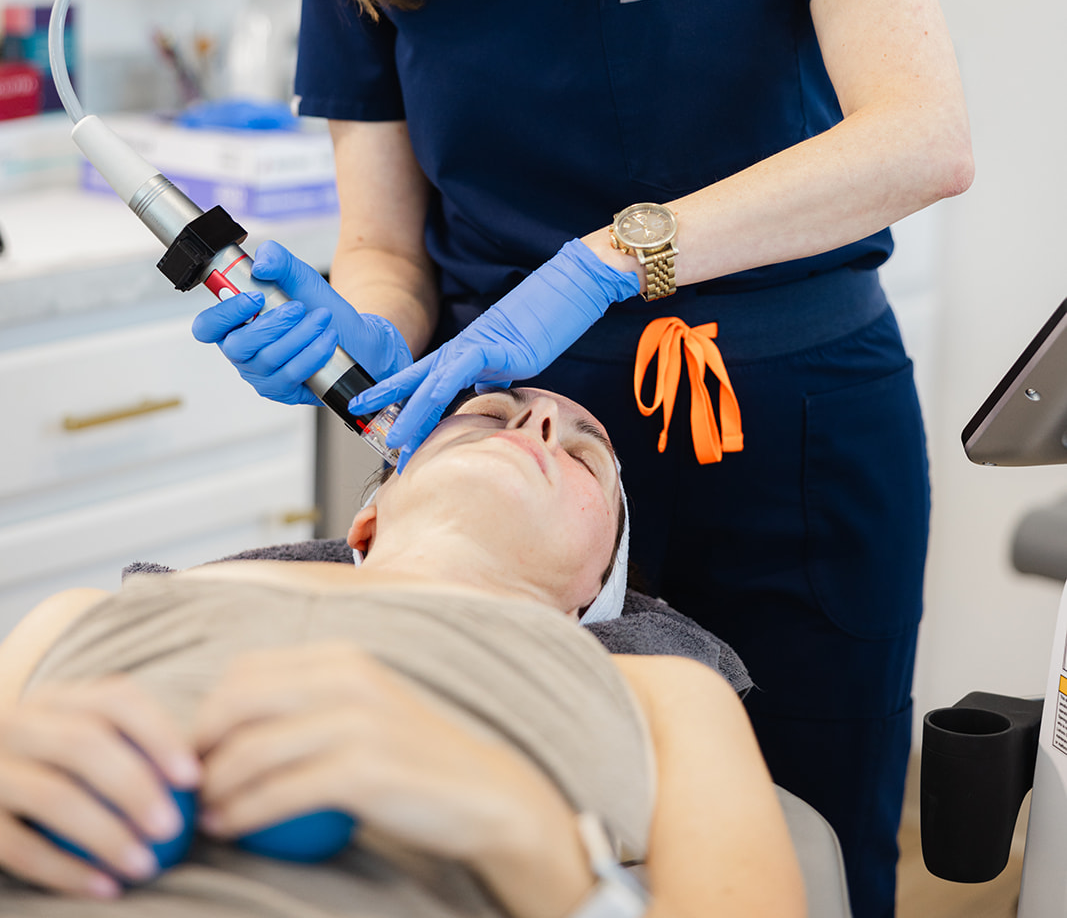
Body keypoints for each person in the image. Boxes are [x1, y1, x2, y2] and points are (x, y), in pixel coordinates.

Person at [192, 0, 973, 918]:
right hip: (509, 456)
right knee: (500, 857)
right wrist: (354, 331)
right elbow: (387, 248)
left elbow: (919, 137)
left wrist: (612, 258)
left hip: (794, 438)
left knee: (806, 845)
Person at [0, 388, 804, 916]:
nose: (537, 424)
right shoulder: (79, 616)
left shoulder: (666, 692)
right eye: (487, 417)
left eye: (584, 455)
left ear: (592, 590)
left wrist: (520, 829)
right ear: (369, 520)